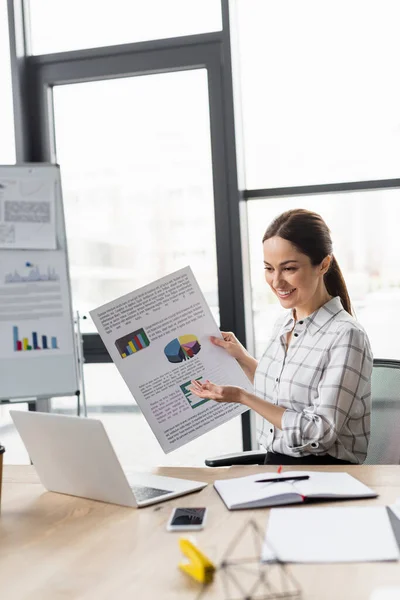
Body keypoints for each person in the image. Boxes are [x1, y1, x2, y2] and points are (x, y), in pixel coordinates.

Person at [190, 208, 373, 465]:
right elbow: (279, 391)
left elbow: (320, 434)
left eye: (288, 268)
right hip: (276, 467)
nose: (276, 282)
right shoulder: (284, 324)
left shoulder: (346, 335)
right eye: (268, 268)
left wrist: (242, 396)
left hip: (325, 475)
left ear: (323, 264)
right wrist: (242, 357)